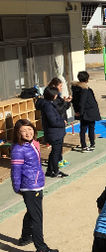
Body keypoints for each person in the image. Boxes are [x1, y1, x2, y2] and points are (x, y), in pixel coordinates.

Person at [11, 119, 59, 252]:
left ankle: (25, 237)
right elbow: (16, 170)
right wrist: (17, 187)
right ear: (18, 133)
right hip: (30, 186)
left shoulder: (33, 143)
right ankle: (41, 248)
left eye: (30, 129)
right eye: (24, 131)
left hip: (36, 183)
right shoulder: (18, 149)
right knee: (37, 217)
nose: (28, 132)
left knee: (32, 212)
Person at [36, 87, 67, 178]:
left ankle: (50, 170)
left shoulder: (48, 104)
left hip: (54, 132)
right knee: (56, 153)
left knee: (54, 152)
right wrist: (63, 122)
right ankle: (55, 171)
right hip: (54, 133)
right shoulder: (48, 106)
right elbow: (53, 121)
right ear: (53, 95)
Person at [71, 71, 101, 152]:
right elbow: (82, 102)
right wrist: (80, 112)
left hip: (83, 112)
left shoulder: (75, 88)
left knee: (83, 129)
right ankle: (89, 144)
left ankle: (84, 145)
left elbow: (74, 101)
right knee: (90, 128)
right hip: (88, 111)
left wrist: (77, 111)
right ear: (87, 79)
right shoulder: (85, 89)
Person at [47, 78, 71, 167]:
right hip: (57, 125)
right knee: (56, 146)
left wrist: (67, 102)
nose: (61, 88)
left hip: (61, 123)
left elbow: (63, 108)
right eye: (60, 86)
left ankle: (59, 159)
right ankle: (56, 163)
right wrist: (64, 103)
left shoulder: (58, 96)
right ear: (54, 86)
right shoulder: (52, 98)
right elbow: (59, 110)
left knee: (60, 144)